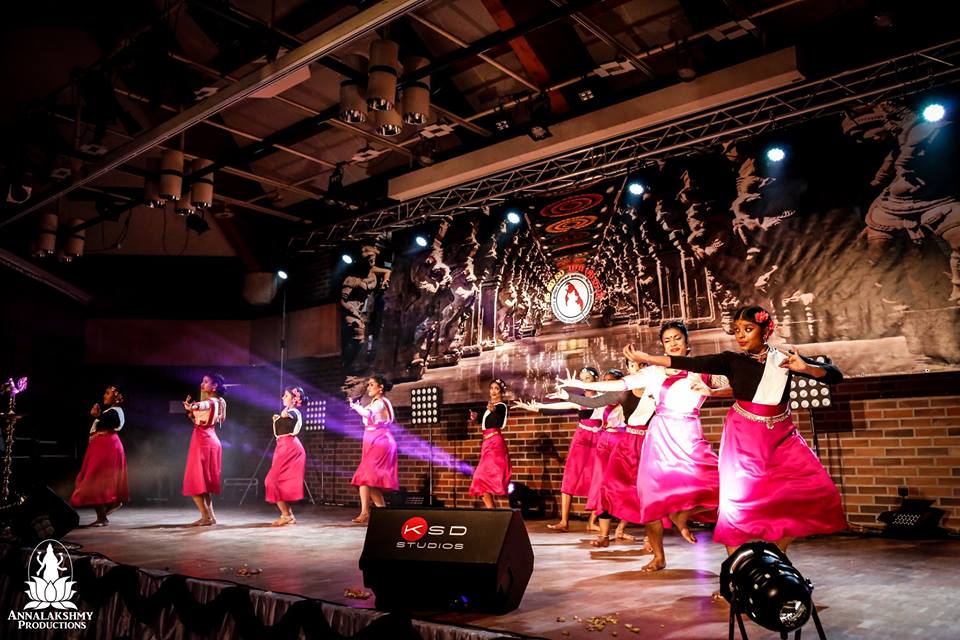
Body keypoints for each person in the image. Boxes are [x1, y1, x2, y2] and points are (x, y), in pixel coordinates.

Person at [624, 306, 847, 554]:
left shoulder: (784, 359)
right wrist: (648, 358)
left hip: (782, 436)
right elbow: (691, 362)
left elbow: (834, 375)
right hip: (744, 436)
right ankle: (734, 568)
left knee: (807, 492)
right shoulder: (732, 360)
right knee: (737, 506)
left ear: (766, 331)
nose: (740, 335)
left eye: (748, 329)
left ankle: (779, 555)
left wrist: (806, 368)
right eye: (737, 330)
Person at [564, 321, 730, 571]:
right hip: (659, 437)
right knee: (651, 499)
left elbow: (736, 385)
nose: (673, 343)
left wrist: (714, 391)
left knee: (719, 488)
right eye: (667, 340)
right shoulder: (655, 372)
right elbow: (620, 385)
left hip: (689, 437)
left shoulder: (702, 370)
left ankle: (682, 515)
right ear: (663, 345)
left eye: (677, 338)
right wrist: (584, 385)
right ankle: (658, 556)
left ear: (687, 342)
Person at [513, 367, 604, 532]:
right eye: (582, 379)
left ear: (596, 379)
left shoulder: (605, 398)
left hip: (599, 440)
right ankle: (564, 522)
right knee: (570, 477)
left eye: (588, 378)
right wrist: (537, 407)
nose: (584, 382)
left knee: (599, 479)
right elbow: (559, 406)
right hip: (582, 440)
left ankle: (592, 522)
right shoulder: (579, 400)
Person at [71, 385, 129, 526]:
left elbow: (112, 421)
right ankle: (107, 510)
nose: (104, 395)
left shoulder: (116, 411)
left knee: (94, 479)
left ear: (116, 397)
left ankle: (103, 516)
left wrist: (98, 416)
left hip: (106, 445)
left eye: (107, 393)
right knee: (94, 479)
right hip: (101, 445)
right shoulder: (109, 411)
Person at [349, 374, 400, 524]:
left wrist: (356, 407)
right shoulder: (374, 402)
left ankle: (365, 512)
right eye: (368, 384)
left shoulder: (380, 402)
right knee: (368, 479)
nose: (368, 387)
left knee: (364, 476)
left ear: (380, 387)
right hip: (372, 440)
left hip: (380, 441)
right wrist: (356, 405)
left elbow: (367, 413)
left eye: (372, 384)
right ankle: (383, 513)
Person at [182, 373, 226, 526]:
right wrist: (194, 415)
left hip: (203, 442)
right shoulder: (220, 401)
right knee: (203, 484)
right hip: (210, 439)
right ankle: (210, 517)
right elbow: (215, 418)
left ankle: (206, 517)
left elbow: (200, 406)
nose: (202, 384)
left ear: (214, 386)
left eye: (206, 381)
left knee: (195, 482)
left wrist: (191, 406)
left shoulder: (210, 402)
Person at [265, 386, 307, 526]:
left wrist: (285, 414)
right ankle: (288, 515)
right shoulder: (287, 411)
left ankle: (286, 515)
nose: (283, 397)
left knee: (271, 480)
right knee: (275, 481)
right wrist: (278, 418)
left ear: (294, 400)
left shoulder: (294, 412)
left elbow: (291, 416)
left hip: (290, 449)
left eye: (286, 395)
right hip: (282, 448)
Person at [468, 378, 512, 508]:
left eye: (496, 389)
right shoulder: (488, 408)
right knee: (480, 481)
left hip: (494, 444)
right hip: (487, 444)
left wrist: (493, 409)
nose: (493, 391)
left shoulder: (501, 407)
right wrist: (475, 417)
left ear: (501, 392)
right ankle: (492, 511)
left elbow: (498, 413)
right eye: (491, 388)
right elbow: (484, 420)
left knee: (479, 476)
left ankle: (492, 511)